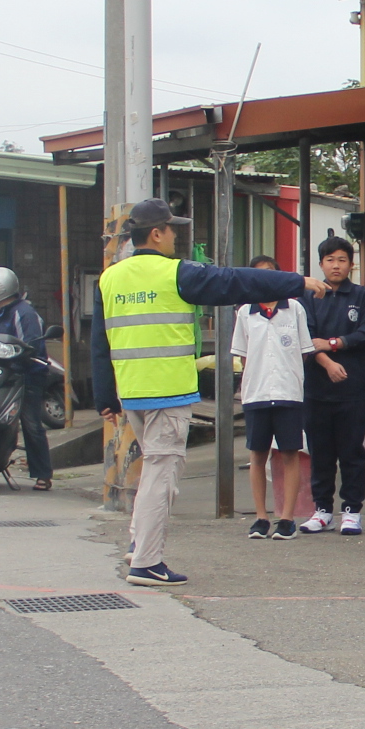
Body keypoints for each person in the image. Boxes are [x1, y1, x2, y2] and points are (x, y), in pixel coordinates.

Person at [91, 198, 323, 587]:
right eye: (171, 229)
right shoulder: (176, 273)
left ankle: (138, 542)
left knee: (154, 471)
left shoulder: (110, 277)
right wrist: (296, 283)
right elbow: (236, 281)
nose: (175, 237)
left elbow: (99, 341)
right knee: (162, 475)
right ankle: (146, 562)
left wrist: (104, 396)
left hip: (131, 390)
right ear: (156, 234)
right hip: (167, 390)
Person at [297, 237, 365, 535]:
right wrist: (328, 363)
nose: (336, 265)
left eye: (342, 260)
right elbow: (304, 338)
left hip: (354, 389)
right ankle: (322, 510)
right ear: (321, 264)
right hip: (316, 389)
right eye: (330, 260)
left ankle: (351, 510)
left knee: (351, 452)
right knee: (320, 452)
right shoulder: (308, 298)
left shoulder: (363, 296)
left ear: (351, 264)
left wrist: (335, 343)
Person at [231, 254, 312, 539]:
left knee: (290, 453)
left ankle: (287, 518)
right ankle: (261, 517)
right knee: (257, 454)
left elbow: (303, 351)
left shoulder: (295, 309)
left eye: (270, 273)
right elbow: (242, 355)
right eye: (258, 274)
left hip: (288, 392)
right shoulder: (245, 312)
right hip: (257, 392)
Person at [0, 266, 54, 491]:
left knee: (31, 424)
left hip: (26, 376)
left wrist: (18, 362)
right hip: (0, 374)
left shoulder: (24, 314)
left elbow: (30, 346)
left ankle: (42, 474)